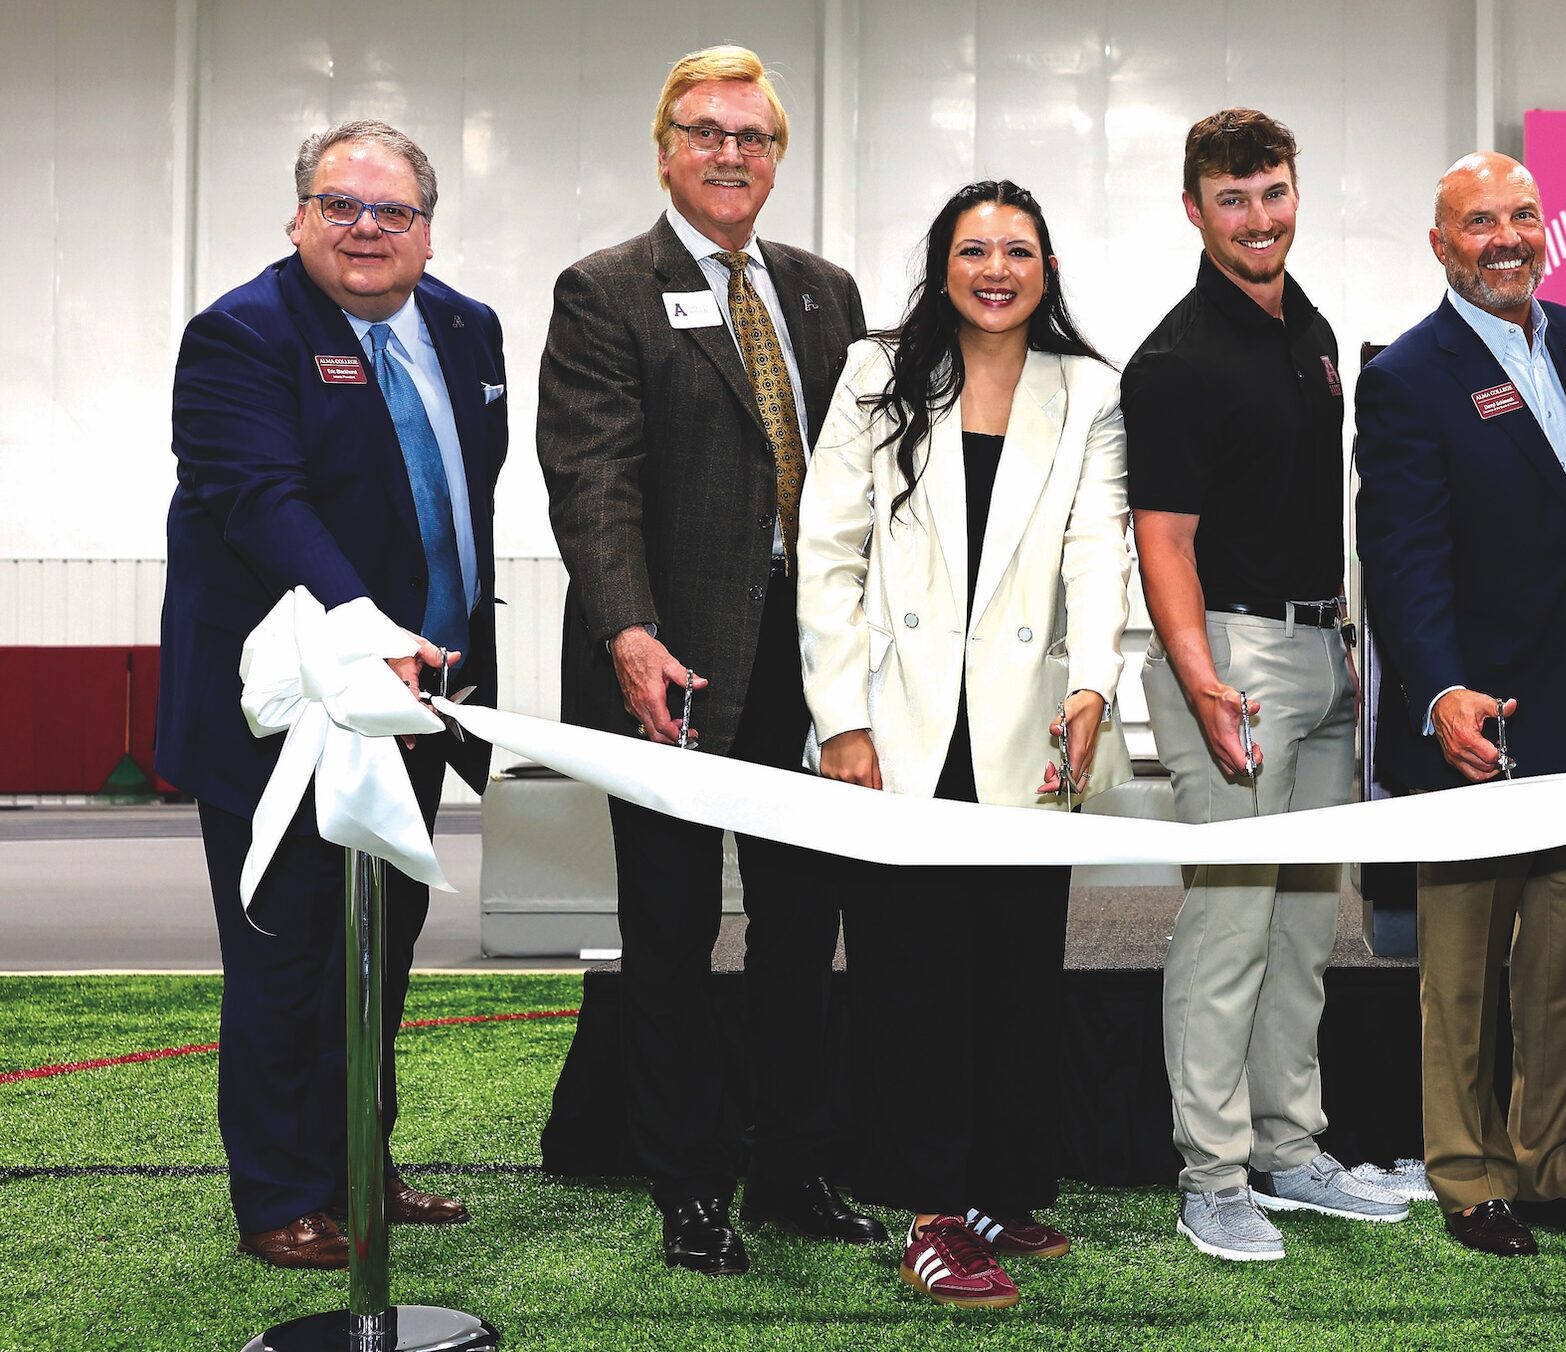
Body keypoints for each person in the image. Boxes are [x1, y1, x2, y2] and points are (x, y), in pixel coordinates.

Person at [534, 45, 875, 1276]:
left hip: (807, 663)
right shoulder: (604, 290)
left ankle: (793, 1163)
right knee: (671, 933)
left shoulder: (826, 292)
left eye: (754, 136)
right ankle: (687, 1184)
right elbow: (593, 480)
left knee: (801, 929)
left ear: (777, 158)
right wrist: (628, 632)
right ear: (665, 150)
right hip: (666, 663)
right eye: (707, 131)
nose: (731, 153)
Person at [159, 119, 501, 1268]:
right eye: (340, 204)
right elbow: (262, 501)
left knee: (378, 953)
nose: (366, 227)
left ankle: (360, 1158)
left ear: (427, 228)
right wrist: (372, 628)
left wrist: (443, 653)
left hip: (418, 705)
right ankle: (281, 1194)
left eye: (393, 209)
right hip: (284, 711)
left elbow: (459, 506)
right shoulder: (241, 336)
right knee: (286, 956)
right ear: (298, 216)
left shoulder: (466, 327)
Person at [798, 179, 1132, 1310]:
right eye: (975, 250)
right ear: (942, 265)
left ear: (1047, 268)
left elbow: (1097, 547)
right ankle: (931, 1210)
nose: (997, 271)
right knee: (911, 978)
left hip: (1024, 728)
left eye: (1018, 251)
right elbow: (828, 552)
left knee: (1017, 971)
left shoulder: (1089, 388)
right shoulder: (876, 373)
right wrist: (842, 718)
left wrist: (1092, 684)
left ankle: (997, 1186)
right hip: (898, 723)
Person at [1354, 151, 1566, 1258]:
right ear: (1441, 245)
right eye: (1480, 222)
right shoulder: (1408, 376)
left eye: (1522, 215)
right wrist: (1439, 690)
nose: (1506, 238)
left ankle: (1556, 1166)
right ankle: (1471, 1176)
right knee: (1465, 962)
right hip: (1482, 707)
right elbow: (1403, 558)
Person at [1125, 107, 1406, 1262]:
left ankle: (1289, 1148)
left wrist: (1345, 649)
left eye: (1273, 192)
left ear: (1296, 190)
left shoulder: (1313, 327)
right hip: (1231, 659)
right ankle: (1212, 1174)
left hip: (1321, 650)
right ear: (1195, 209)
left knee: (1301, 926)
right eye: (1233, 199)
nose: (1258, 218)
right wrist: (1203, 681)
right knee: (1229, 925)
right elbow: (1163, 539)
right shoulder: (1176, 360)